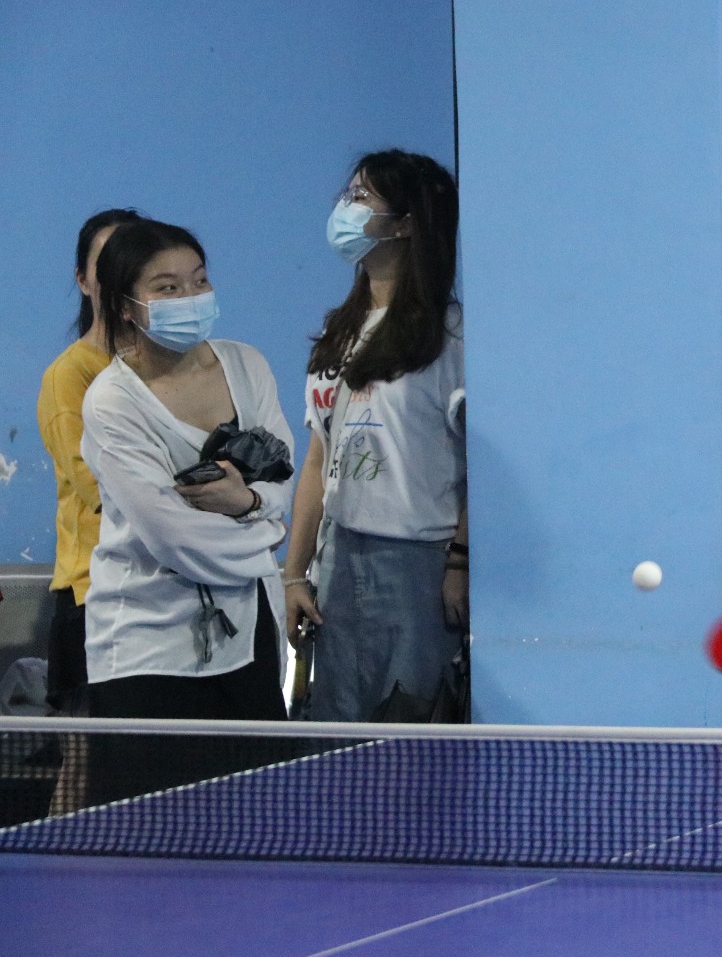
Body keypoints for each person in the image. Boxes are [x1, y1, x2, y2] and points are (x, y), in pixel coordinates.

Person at [80, 218, 293, 802]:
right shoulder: (111, 403)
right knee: (154, 835)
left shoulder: (247, 365)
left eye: (199, 280)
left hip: (248, 637)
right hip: (147, 651)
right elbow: (176, 540)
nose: (191, 297)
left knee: (258, 820)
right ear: (125, 306)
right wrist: (265, 532)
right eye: (168, 288)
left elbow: (280, 476)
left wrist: (248, 501)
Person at [282, 149, 468, 722]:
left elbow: (480, 467)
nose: (346, 207)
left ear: (406, 224)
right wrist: (294, 573)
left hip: (417, 564)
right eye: (349, 195)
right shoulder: (337, 334)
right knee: (336, 736)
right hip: (338, 557)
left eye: (362, 197)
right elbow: (318, 459)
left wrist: (460, 562)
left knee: (410, 733)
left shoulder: (452, 337)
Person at [37, 208, 142, 715]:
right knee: (85, 749)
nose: (121, 272)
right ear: (83, 280)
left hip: (155, 591)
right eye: (107, 262)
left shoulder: (167, 372)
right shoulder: (71, 374)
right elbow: (100, 487)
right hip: (92, 593)